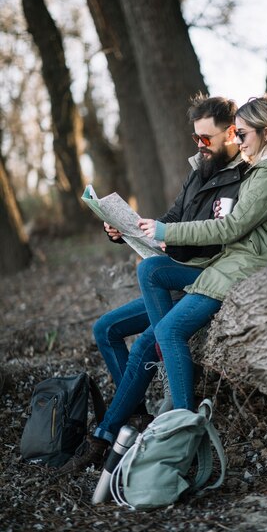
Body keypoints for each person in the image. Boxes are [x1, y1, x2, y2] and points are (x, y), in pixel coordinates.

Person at [57, 94, 247, 475]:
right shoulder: (198, 174)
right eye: (195, 138)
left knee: (147, 338)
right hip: (172, 272)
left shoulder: (241, 179)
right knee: (105, 329)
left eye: (206, 139)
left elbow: (218, 238)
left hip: (202, 275)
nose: (199, 146)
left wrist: (166, 238)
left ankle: (106, 435)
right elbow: (171, 218)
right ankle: (138, 414)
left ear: (231, 133)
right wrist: (126, 229)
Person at [136, 93, 267, 412]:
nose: (238, 140)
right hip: (233, 263)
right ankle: (176, 377)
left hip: (244, 270)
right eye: (235, 133)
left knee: (168, 330)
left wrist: (167, 232)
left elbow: (231, 229)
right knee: (152, 271)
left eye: (242, 134)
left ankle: (181, 419)